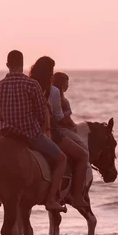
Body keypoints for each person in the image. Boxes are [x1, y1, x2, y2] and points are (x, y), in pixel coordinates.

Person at [0, 51, 67, 212]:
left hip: (4, 134)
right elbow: (40, 114)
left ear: (7, 65)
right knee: (61, 158)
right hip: (29, 135)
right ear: (22, 64)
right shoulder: (32, 85)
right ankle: (52, 199)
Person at [49, 72, 90, 208]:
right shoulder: (63, 100)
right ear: (62, 84)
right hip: (60, 131)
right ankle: (77, 195)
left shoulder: (46, 94)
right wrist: (73, 127)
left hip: (50, 129)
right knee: (84, 153)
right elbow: (66, 120)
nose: (68, 85)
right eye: (67, 82)